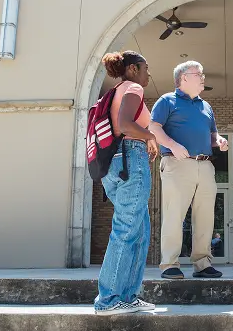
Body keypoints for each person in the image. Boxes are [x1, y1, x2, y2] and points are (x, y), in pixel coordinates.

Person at [149, 60, 229, 279]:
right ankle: (170, 264)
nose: (203, 77)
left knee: (205, 216)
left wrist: (219, 140)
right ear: (184, 78)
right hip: (177, 164)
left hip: (205, 165)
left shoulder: (206, 106)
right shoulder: (167, 100)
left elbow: (212, 135)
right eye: (198, 74)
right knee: (174, 214)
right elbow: (153, 127)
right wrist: (173, 145)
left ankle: (202, 264)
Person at [94, 50, 159, 316]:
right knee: (125, 231)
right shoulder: (132, 87)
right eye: (145, 68)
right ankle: (108, 300)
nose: (148, 74)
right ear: (132, 69)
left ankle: (128, 296)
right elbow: (125, 124)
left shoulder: (115, 90)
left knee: (140, 233)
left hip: (114, 163)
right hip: (131, 159)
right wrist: (150, 136)